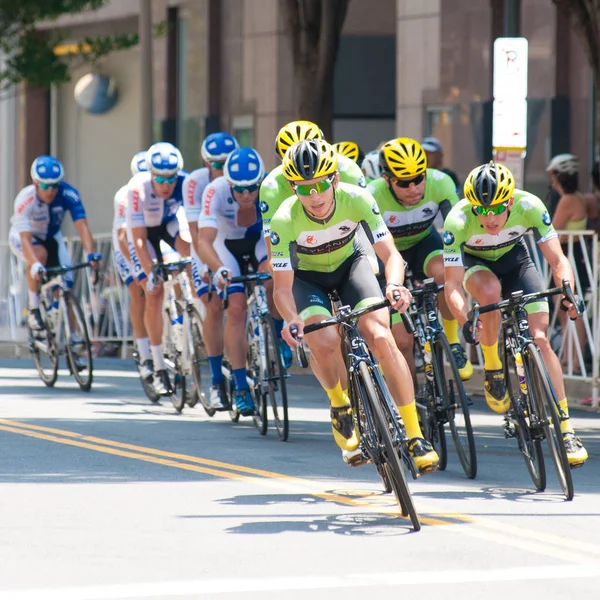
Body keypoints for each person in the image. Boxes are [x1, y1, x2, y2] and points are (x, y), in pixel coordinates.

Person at [270, 139, 439, 473]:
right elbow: (282, 288)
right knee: (325, 340)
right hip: (309, 280)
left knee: (380, 334)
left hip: (352, 267)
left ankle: (415, 436)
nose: (314, 196)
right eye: (304, 189)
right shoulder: (284, 218)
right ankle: (339, 402)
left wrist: (393, 284)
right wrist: (291, 318)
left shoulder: (358, 198)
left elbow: (390, 254)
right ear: (292, 187)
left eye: (321, 185)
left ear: (334, 179)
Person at [443, 161, 588, 466]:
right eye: (481, 210)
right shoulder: (457, 221)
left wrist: (568, 293)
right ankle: (494, 366)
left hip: (517, 263)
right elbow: (453, 284)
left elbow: (558, 260)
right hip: (477, 265)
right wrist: (465, 321)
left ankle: (565, 428)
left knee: (540, 340)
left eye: (496, 208)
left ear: (509, 201)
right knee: (491, 292)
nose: (490, 217)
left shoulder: (530, 206)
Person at [371, 138, 470, 380]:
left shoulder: (441, 182)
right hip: (388, 255)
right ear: (387, 180)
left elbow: (456, 230)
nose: (414, 188)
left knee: (445, 272)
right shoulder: (372, 194)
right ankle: (411, 403)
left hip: (423, 243)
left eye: (419, 179)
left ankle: (453, 341)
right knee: (402, 341)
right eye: (404, 183)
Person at [196, 147, 268, 417]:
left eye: (251, 188)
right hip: (225, 246)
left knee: (273, 277)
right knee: (236, 307)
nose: (246, 194)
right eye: (239, 189)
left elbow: (280, 235)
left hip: (260, 241)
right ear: (229, 184)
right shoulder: (215, 190)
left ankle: (278, 330)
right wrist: (218, 269)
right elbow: (204, 240)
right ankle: (240, 386)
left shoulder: (271, 187)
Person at [126, 142, 191, 395]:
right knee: (153, 292)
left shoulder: (186, 183)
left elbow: (193, 230)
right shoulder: (137, 189)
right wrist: (150, 271)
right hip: (143, 235)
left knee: (190, 254)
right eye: (160, 179)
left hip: (169, 225)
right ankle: (157, 364)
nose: (166, 185)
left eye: (171, 179)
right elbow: (139, 240)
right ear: (150, 174)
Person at [9, 156, 101, 331]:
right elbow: (26, 239)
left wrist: (91, 254)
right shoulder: (25, 200)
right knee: (39, 256)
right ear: (35, 184)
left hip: (51, 236)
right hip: (25, 237)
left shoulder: (69, 194)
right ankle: (34, 309)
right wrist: (35, 264)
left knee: (66, 286)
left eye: (55, 186)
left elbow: (82, 227)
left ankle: (71, 342)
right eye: (45, 186)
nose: (50, 191)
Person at [183, 132, 239, 410]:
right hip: (208, 244)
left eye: (227, 161)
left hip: (236, 242)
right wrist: (206, 265)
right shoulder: (195, 182)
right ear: (207, 164)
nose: (223, 167)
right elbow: (195, 232)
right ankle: (217, 380)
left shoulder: (242, 176)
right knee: (215, 305)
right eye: (217, 163)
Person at [546, 154, 590, 375]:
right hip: (577, 256)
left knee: (569, 306)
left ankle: (572, 360)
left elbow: (551, 231)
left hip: (568, 257)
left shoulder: (567, 200)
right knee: (570, 307)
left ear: (556, 177)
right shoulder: (580, 197)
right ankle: (569, 357)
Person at [112, 151, 154, 379]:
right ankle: (144, 351)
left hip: (150, 239)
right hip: (126, 245)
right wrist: (140, 268)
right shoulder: (125, 196)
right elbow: (123, 238)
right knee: (138, 291)